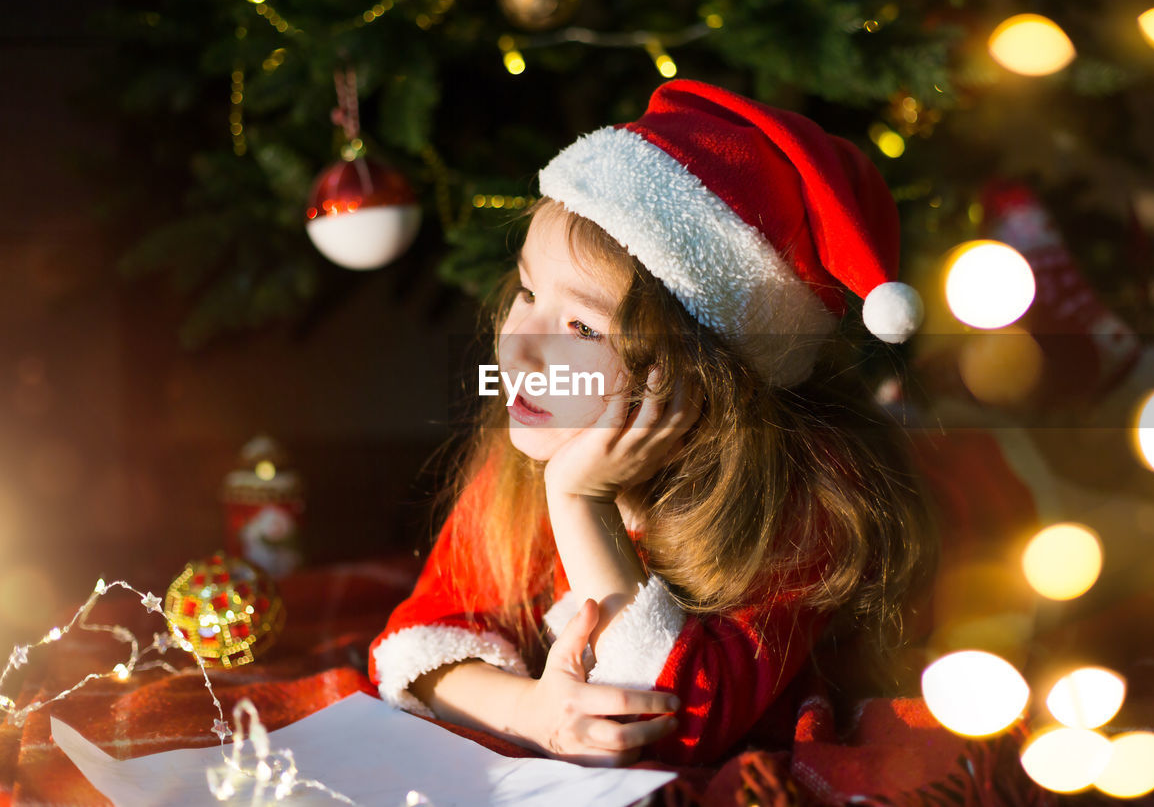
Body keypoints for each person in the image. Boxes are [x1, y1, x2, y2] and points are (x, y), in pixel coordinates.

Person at [368, 79, 939, 768]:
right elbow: (419, 637)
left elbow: (674, 720)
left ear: (702, 377)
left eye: (581, 325)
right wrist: (530, 711)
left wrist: (581, 499)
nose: (520, 341)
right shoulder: (530, 448)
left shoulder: (804, 497)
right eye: (525, 291)